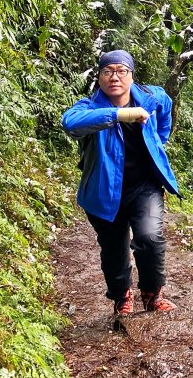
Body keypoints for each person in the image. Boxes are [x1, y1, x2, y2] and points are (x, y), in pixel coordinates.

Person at [61, 49, 181, 315]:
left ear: (131, 75)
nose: (114, 77)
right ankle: (121, 296)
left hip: (144, 186)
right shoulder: (89, 107)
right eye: (107, 71)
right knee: (114, 247)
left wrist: (159, 140)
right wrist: (119, 115)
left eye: (121, 71)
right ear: (99, 77)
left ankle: (152, 294)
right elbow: (70, 123)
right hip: (103, 190)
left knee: (149, 238)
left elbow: (165, 106)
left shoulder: (151, 97)